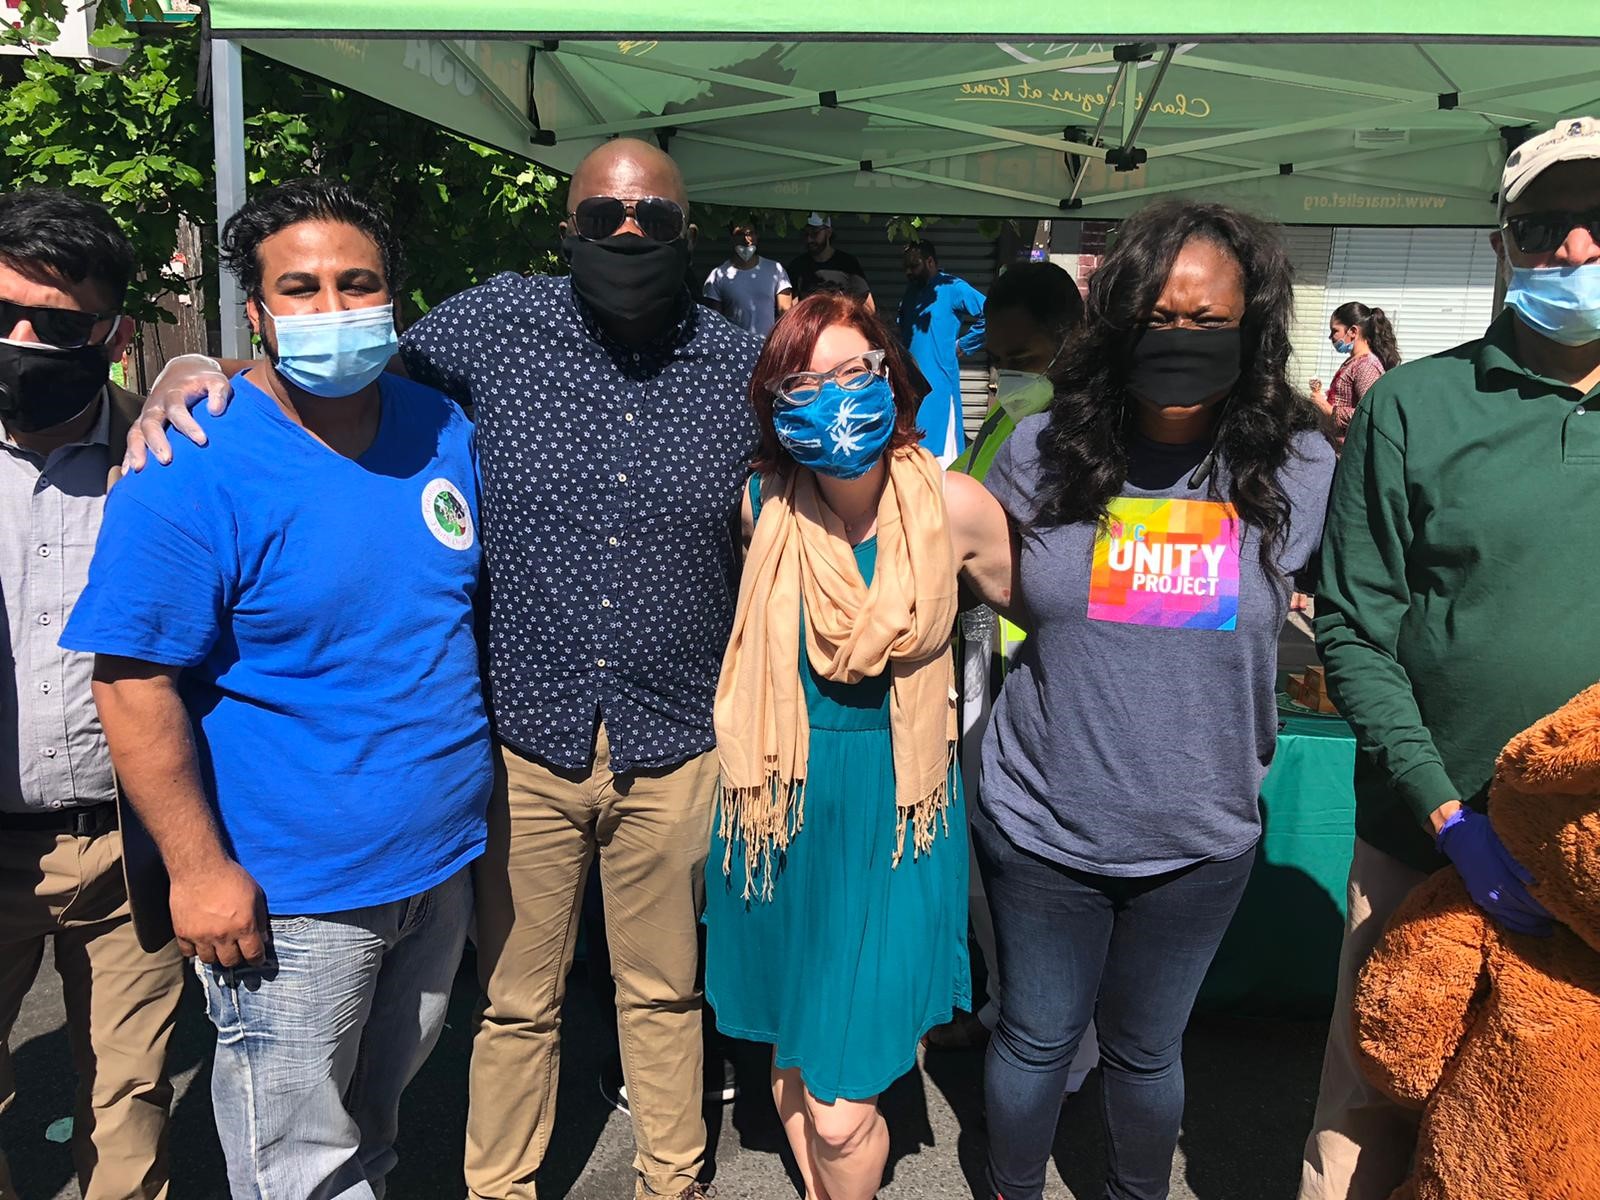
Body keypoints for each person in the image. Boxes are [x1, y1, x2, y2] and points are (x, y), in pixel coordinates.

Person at [128, 139, 757, 1200]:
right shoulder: (488, 324)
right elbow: (329, 377)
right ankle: (500, 1188)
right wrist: (199, 370)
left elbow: (842, 441)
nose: (630, 234)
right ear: (569, 227)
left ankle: (673, 1177)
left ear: (688, 229)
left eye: (654, 215)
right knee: (517, 998)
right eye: (604, 216)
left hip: (676, 736)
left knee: (664, 993)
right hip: (524, 739)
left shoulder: (737, 363)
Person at [62, 180, 491, 1198]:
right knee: (294, 1170)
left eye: (359, 283)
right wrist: (199, 871)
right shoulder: (191, 461)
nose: (333, 307)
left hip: (435, 875)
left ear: (396, 297)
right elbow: (131, 682)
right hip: (292, 900)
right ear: (254, 312)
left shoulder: (440, 429)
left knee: (374, 1135)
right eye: (298, 287)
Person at [978, 200, 1336, 1200]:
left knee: (1145, 1051)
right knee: (1036, 1038)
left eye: (1206, 318)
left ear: (1253, 326)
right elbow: (984, 585)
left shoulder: (1301, 467)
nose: (1178, 337)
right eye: (1157, 315)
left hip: (1199, 834)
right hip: (1042, 819)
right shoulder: (1037, 448)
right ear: (1117, 319)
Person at [1298, 115, 1600, 1200]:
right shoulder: (1415, 406)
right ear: (1502, 243)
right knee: (1369, 1110)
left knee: (1564, 1128)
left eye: (1599, 220)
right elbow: (1354, 624)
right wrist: (1444, 813)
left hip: (1595, 858)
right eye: (1545, 226)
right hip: (1425, 842)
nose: (1575, 249)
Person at [703, 292, 1015, 1200]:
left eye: (854, 372)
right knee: (795, 1058)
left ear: (890, 375)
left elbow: (1047, 626)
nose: (834, 398)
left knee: (841, 1108)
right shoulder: (762, 505)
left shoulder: (956, 507)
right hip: (778, 809)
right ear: (775, 403)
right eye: (804, 382)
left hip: (895, 817)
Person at [0, 189, 185, 1200]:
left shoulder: (162, 455)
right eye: (3, 317)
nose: (24, 340)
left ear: (111, 334)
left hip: (128, 843)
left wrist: (198, 367)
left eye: (58, 325)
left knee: (130, 1102)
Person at [896, 240, 987, 463]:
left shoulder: (952, 287)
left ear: (930, 261)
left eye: (914, 265)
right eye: (906, 266)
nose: (909, 271)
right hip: (911, 390)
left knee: (940, 463)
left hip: (939, 390)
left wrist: (964, 345)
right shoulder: (911, 294)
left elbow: (991, 312)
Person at [1308, 302, 1401, 447]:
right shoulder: (1353, 361)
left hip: (1348, 453)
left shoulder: (1366, 366)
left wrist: (1328, 410)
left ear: (1352, 331)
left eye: (1335, 331)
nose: (1330, 337)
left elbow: (1369, 415)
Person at [702, 220, 793, 337]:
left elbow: (786, 314)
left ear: (757, 236)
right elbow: (714, 323)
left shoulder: (775, 269)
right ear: (731, 238)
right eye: (740, 234)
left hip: (766, 349)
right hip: (735, 350)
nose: (746, 239)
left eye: (750, 233)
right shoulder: (717, 276)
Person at [786, 212, 875, 311]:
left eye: (815, 233)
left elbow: (868, 306)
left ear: (828, 232)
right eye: (806, 234)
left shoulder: (847, 263)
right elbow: (791, 307)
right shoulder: (797, 265)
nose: (809, 239)